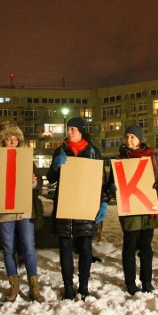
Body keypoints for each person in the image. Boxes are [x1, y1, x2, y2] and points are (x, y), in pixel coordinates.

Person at [46, 117, 109, 300]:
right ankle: (67, 286)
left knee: (85, 248)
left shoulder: (92, 152)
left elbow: (101, 181)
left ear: (81, 130)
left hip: (85, 205)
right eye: (69, 128)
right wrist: (56, 166)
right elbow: (51, 178)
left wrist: (103, 202)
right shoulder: (60, 150)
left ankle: (83, 286)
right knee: (65, 247)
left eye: (74, 129)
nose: (70, 132)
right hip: (65, 205)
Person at [0, 123, 43, 302]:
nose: (12, 141)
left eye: (15, 138)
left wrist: (34, 182)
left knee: (29, 247)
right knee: (8, 249)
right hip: (4, 210)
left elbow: (39, 186)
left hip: (24, 209)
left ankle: (34, 286)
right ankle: (13, 286)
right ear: (2, 140)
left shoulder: (26, 159)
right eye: (8, 138)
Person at [112, 125, 158, 295]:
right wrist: (112, 186)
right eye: (126, 137)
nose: (129, 140)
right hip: (130, 209)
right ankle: (130, 283)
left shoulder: (150, 157)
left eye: (133, 137)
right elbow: (113, 181)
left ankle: (147, 281)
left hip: (147, 209)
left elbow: (157, 176)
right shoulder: (120, 159)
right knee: (129, 247)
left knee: (146, 247)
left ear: (140, 139)